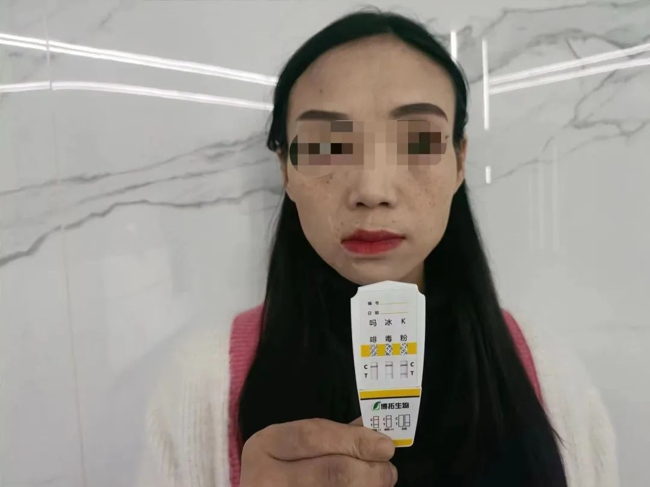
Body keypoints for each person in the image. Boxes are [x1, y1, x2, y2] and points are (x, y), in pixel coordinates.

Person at [136, 8, 619, 487]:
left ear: (459, 161)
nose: (372, 189)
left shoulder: (550, 376)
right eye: (327, 146)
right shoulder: (202, 385)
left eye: (418, 141)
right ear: (285, 169)